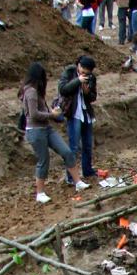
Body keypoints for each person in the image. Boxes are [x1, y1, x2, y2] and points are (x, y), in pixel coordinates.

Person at [22, 63, 90, 203]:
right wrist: (51, 114)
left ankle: (78, 182)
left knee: (67, 152)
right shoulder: (31, 92)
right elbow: (33, 115)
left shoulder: (35, 91)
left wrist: (52, 114)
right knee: (43, 160)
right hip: (35, 131)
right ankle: (40, 193)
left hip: (46, 128)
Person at [58, 56, 99, 185]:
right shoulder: (69, 72)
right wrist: (77, 81)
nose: (84, 73)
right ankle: (71, 176)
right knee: (73, 146)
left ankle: (87, 170)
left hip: (86, 113)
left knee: (87, 144)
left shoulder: (91, 78)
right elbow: (63, 89)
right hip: (73, 113)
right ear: (78, 65)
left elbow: (93, 97)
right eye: (82, 70)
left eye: (87, 72)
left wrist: (87, 92)